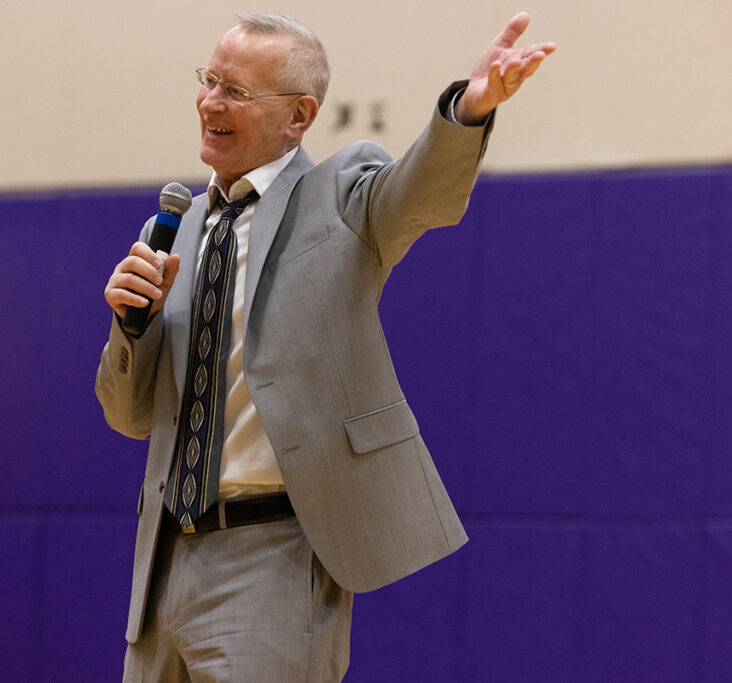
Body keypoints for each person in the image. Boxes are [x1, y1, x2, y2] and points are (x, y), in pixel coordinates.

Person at [96, 12, 555, 682]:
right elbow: (129, 415)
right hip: (164, 556)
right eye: (209, 80)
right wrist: (130, 326)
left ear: (300, 115)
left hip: (273, 551)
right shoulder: (174, 228)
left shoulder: (340, 192)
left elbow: (418, 194)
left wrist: (470, 108)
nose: (209, 102)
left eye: (235, 91)